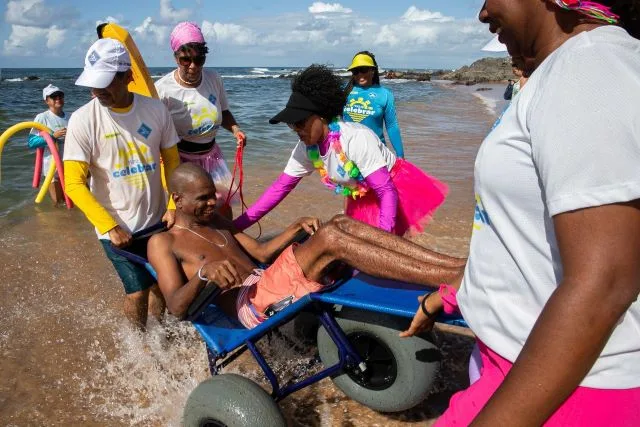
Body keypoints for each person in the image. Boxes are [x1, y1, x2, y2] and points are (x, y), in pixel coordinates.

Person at [402, 1, 640, 425]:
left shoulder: (590, 67)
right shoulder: (566, 70)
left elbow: (606, 282)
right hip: (524, 363)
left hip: (566, 387)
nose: (483, 13)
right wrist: (451, 294)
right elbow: (520, 236)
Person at [148, 163, 464, 327]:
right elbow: (176, 308)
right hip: (254, 307)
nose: (213, 201)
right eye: (203, 198)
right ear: (178, 200)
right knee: (330, 239)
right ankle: (447, 277)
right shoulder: (164, 242)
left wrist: (295, 227)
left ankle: (453, 267)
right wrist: (204, 274)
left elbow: (259, 253)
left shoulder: (216, 220)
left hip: (268, 282)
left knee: (337, 225)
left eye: (212, 194)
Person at [233, 65, 448, 236]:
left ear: (322, 116)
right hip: (362, 196)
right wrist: (236, 227)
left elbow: (385, 191)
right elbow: (279, 189)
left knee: (387, 248)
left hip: (394, 189)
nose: (296, 129)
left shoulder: (356, 138)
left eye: (300, 122)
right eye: (292, 125)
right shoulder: (307, 148)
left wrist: (383, 241)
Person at [63, 38, 181, 329]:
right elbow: (73, 183)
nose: (95, 90)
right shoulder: (82, 120)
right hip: (116, 229)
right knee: (137, 291)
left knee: (159, 287)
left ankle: (160, 336)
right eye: (92, 82)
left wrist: (172, 205)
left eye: (104, 82)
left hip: (157, 221)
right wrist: (109, 226)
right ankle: (138, 345)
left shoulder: (156, 111)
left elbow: (174, 164)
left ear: (128, 76)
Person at [155, 21, 246, 217]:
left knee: (222, 208)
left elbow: (224, 112)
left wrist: (236, 130)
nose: (194, 66)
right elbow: (156, 131)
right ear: (175, 57)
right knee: (191, 212)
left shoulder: (214, 79)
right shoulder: (162, 90)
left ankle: (226, 243)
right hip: (181, 160)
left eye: (199, 59)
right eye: (185, 60)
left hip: (211, 156)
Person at [343, 51, 405, 159]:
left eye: (363, 70)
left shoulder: (385, 95)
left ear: (372, 71)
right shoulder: (345, 93)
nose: (360, 74)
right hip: (348, 154)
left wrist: (400, 155)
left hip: (376, 155)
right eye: (355, 71)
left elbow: (391, 126)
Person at [28, 84, 67, 204]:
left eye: (60, 95)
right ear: (46, 101)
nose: (58, 99)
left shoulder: (69, 117)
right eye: (54, 97)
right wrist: (52, 137)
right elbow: (31, 142)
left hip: (70, 164)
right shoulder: (42, 117)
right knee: (58, 202)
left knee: (76, 201)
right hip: (52, 167)